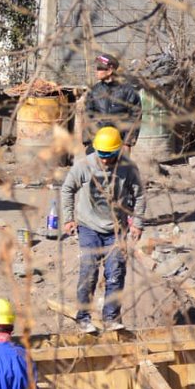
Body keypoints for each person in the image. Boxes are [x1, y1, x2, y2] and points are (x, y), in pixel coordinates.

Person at [60, 125, 144, 334]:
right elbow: (67, 189)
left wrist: (138, 223)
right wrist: (68, 219)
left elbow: (140, 195)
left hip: (116, 230)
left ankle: (111, 318)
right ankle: (83, 318)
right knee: (88, 272)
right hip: (89, 227)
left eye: (110, 155)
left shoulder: (128, 168)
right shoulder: (83, 166)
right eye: (102, 155)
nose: (105, 160)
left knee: (116, 273)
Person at [84, 53, 141, 158]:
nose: (96, 71)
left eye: (99, 68)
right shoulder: (94, 91)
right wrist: (87, 141)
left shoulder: (128, 91)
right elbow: (88, 116)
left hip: (118, 142)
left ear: (110, 70)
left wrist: (127, 143)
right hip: (99, 142)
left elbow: (134, 118)